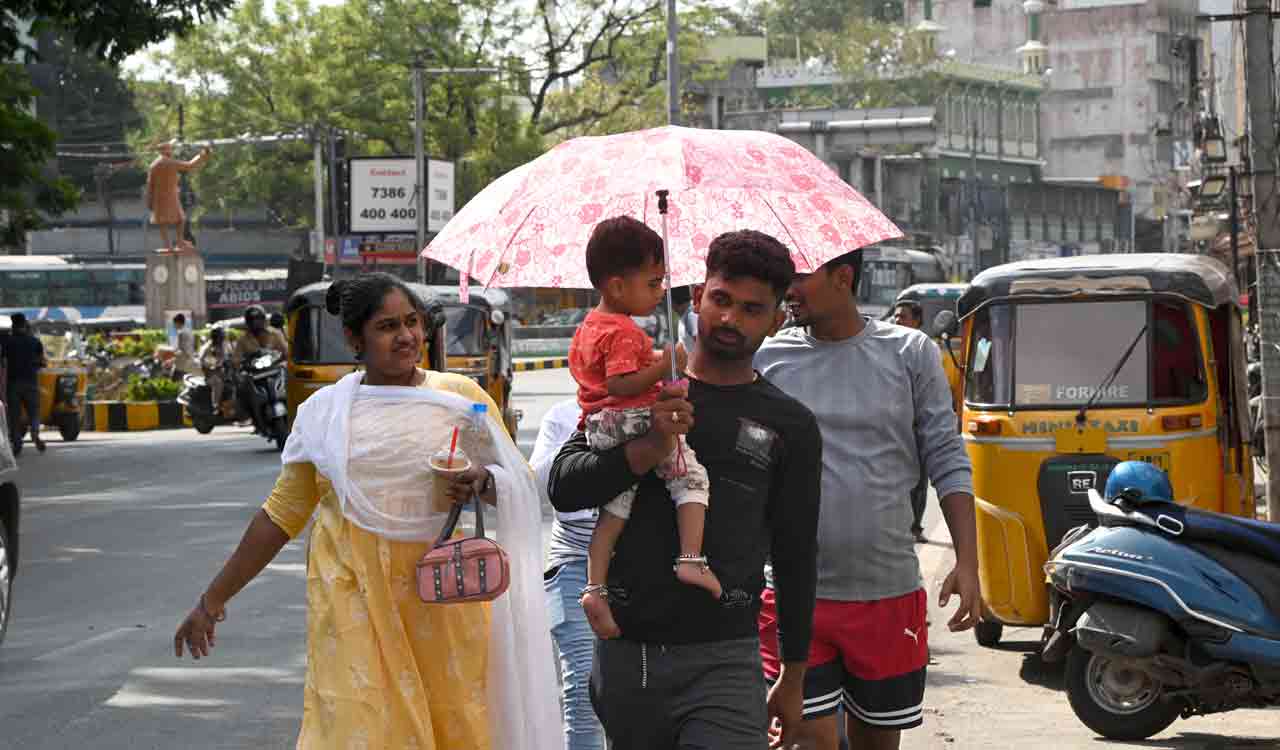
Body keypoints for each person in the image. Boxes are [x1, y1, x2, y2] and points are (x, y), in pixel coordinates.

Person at [173, 272, 559, 749]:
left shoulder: (460, 400)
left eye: (413, 322)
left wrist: (483, 482)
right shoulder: (324, 413)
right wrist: (212, 601)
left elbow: (519, 484)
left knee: (455, 727)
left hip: (439, 599)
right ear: (355, 338)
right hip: (351, 597)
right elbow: (281, 515)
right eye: (388, 326)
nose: (407, 337)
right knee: (361, 729)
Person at [550, 230, 824, 750]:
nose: (730, 319)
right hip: (630, 656)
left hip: (727, 657)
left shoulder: (790, 424)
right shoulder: (635, 398)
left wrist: (793, 673)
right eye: (721, 300)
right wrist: (649, 446)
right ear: (697, 296)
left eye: (751, 309)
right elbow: (565, 487)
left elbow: (795, 555)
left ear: (776, 320)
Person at [754, 249, 980, 750]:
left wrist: (969, 561)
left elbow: (947, 456)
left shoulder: (910, 352)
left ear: (843, 278)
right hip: (794, 598)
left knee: (877, 742)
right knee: (809, 740)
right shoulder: (767, 359)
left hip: (888, 595)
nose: (789, 289)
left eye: (801, 277)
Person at [569, 216, 713, 640]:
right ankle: (691, 558)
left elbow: (601, 378)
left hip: (599, 427)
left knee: (614, 510)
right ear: (616, 286)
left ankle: (595, 588)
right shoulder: (624, 330)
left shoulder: (589, 327)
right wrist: (665, 368)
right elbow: (619, 384)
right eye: (653, 283)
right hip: (628, 422)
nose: (661, 292)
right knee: (691, 478)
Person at [530, 398, 605, 750]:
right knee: (583, 693)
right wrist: (582, 432)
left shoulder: (650, 412)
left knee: (641, 694)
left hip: (637, 569)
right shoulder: (560, 416)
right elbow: (538, 486)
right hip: (573, 565)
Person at [891, 300, 929, 542]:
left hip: (919, 427)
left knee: (919, 482)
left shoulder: (927, 350)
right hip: (895, 425)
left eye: (902, 316)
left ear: (916, 321)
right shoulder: (887, 348)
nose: (897, 321)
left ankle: (915, 526)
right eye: (895, 316)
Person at [146, 140, 211, 253]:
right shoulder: (170, 162)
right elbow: (190, 165)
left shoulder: (154, 165)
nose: (171, 151)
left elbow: (149, 185)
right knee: (180, 219)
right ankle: (179, 242)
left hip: (160, 198)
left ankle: (169, 244)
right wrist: (203, 154)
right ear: (166, 150)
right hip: (170, 196)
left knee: (163, 222)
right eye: (170, 148)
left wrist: (149, 201)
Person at [2, 314, 46, 455]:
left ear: (13, 325)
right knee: (34, 412)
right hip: (31, 382)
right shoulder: (35, 342)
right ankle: (34, 432)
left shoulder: (6, 342)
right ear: (25, 325)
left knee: (14, 416)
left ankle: (17, 443)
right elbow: (42, 362)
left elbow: (2, 363)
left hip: (13, 383)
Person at [198, 326, 234, 418]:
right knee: (217, 382)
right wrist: (213, 366)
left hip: (224, 372)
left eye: (222, 336)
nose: (222, 338)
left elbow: (231, 356)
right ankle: (216, 406)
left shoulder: (225, 345)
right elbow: (203, 362)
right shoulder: (208, 348)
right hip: (210, 375)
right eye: (220, 336)